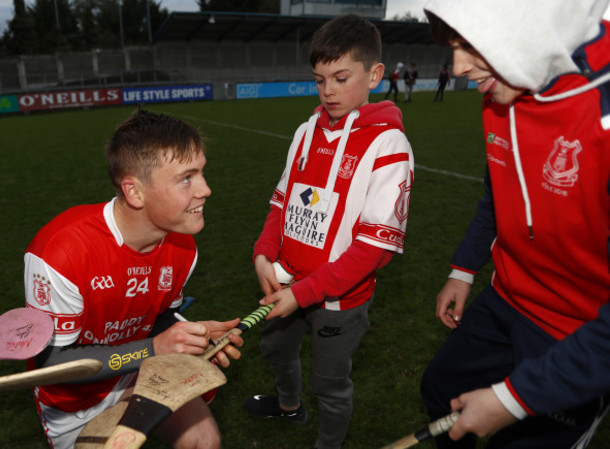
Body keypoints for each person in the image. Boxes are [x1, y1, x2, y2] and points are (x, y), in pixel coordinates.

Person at [419, 0, 610, 448]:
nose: (458, 67)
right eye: (452, 47)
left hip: (580, 330)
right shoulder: (503, 88)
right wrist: (463, 269)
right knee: (440, 391)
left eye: (469, 44)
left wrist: (515, 399)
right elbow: (499, 191)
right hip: (507, 298)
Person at [24, 109, 245, 449]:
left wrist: (190, 335)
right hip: (74, 402)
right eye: (186, 178)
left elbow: (159, 316)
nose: (206, 189)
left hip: (140, 371)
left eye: (201, 172)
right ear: (135, 192)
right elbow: (52, 364)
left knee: (204, 440)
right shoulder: (62, 252)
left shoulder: (183, 246)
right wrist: (156, 347)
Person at [243, 13, 414, 449]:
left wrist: (302, 294)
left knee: (330, 384)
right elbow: (281, 204)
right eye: (320, 80)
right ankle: (288, 406)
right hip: (287, 282)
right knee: (275, 352)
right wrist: (264, 255)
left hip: (340, 298)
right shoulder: (305, 131)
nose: (328, 90)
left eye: (340, 77)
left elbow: (375, 250)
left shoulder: (388, 144)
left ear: (375, 74)